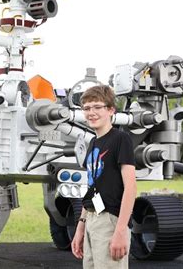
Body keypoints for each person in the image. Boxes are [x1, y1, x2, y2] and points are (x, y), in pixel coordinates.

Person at [71, 85, 137, 269]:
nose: (91, 112)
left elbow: (131, 188)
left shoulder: (120, 139)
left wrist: (121, 230)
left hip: (110, 220)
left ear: (110, 110)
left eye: (97, 107)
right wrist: (81, 226)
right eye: (86, 108)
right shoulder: (93, 142)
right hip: (92, 217)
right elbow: (92, 188)